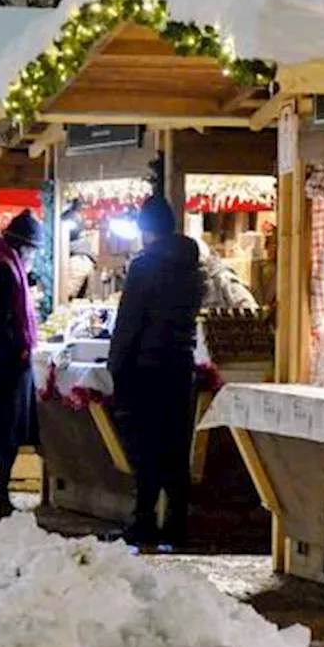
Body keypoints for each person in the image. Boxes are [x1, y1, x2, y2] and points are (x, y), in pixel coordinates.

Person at [108, 196, 205, 547]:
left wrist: (116, 365)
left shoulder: (145, 266)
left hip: (144, 367)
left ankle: (144, 519)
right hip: (179, 365)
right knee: (175, 447)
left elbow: (130, 320)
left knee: (145, 447)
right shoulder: (192, 267)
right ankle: (177, 523)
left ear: (145, 228)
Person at [0, 210, 44, 521]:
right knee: (5, 433)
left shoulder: (1, 267)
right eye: (31, 251)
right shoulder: (1, 272)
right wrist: (17, 350)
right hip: (4, 368)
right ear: (22, 247)